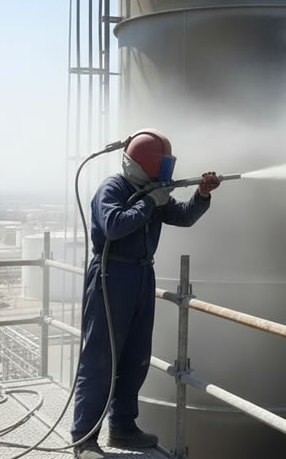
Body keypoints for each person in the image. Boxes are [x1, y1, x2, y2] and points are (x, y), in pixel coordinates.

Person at [71, 129, 220, 459]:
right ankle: (84, 438)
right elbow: (114, 225)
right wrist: (151, 201)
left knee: (135, 356)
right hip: (111, 274)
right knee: (101, 358)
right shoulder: (114, 188)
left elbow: (184, 216)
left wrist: (201, 195)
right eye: (162, 166)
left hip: (141, 275)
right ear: (144, 165)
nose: (165, 173)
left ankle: (122, 427)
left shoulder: (152, 191)